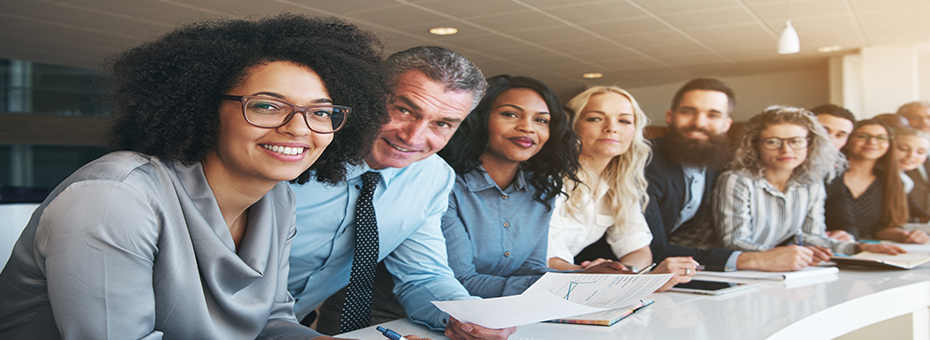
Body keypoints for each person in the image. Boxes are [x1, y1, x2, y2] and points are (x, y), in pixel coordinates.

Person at [0, 15, 388, 339]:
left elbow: (271, 322)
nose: (299, 128)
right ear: (204, 108)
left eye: (321, 113)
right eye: (268, 105)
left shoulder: (276, 198)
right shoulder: (112, 198)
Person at [287, 46, 517, 340]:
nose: (413, 137)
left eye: (442, 123)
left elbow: (423, 275)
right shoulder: (295, 151)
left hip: (292, 323)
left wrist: (467, 315)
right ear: (369, 96)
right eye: (404, 110)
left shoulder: (432, 177)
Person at [645, 78, 819, 272]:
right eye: (688, 112)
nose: (699, 123)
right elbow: (649, 247)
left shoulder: (715, 160)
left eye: (713, 115)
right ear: (670, 116)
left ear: (726, 124)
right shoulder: (646, 162)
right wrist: (753, 260)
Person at [692, 107, 903, 259]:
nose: (786, 151)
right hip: (717, 267)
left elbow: (812, 236)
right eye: (773, 142)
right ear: (754, 145)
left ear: (810, 145)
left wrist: (859, 248)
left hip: (772, 266)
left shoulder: (811, 181)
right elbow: (734, 241)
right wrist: (787, 254)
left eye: (796, 141)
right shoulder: (737, 179)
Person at [547, 86, 697, 285]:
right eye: (595, 118)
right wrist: (608, 276)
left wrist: (626, 272)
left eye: (624, 120)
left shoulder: (620, 185)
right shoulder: (549, 179)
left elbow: (638, 250)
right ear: (571, 126)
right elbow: (546, 259)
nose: (612, 128)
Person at [829, 120, 929, 243]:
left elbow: (881, 228)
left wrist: (906, 236)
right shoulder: (829, 177)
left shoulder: (890, 181)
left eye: (881, 138)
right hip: (825, 250)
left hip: (868, 250)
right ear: (847, 141)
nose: (872, 142)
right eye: (862, 136)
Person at [810, 104, 856, 242]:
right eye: (823, 130)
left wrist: (845, 234)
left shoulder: (832, 172)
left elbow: (844, 221)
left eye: (840, 135)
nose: (830, 139)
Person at [899, 101, 930, 220]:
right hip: (905, 221)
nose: (924, 122)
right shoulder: (894, 154)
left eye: (929, 117)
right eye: (915, 118)